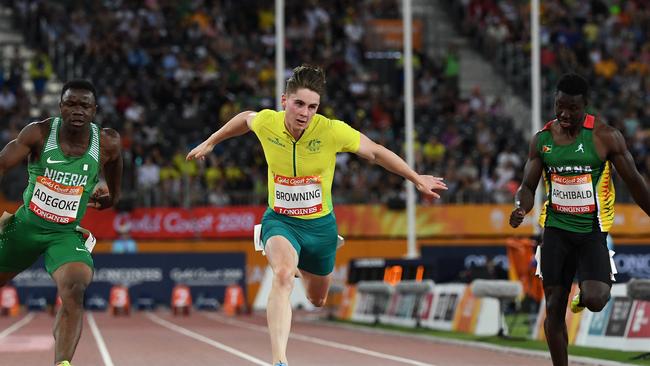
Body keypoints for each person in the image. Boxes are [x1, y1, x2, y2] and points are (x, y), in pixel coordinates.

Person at [187, 65, 447, 366]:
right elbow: (244, 119)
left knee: (317, 299)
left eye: (312, 106)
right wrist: (210, 142)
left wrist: (416, 178)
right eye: (299, 104)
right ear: (285, 101)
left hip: (321, 227)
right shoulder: (268, 122)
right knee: (283, 275)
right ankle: (279, 360)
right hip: (280, 220)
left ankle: (306, 260)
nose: (305, 113)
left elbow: (375, 152)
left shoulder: (331, 130)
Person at [509, 73, 650, 366]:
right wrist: (521, 208)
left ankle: (584, 296)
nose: (564, 114)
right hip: (556, 231)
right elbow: (527, 187)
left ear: (585, 105)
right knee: (554, 306)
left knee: (597, 299)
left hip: (591, 232)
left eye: (572, 108)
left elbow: (635, 183)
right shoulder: (543, 140)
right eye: (559, 106)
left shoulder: (605, 137)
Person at [0, 79, 122, 366]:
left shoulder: (107, 142)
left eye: (84, 105)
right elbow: (2, 164)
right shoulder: (39, 133)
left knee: (75, 287)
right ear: (60, 107)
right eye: (71, 104)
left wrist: (114, 197)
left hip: (64, 235)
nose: (77, 110)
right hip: (24, 228)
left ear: (94, 110)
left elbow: (116, 164)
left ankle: (63, 364)